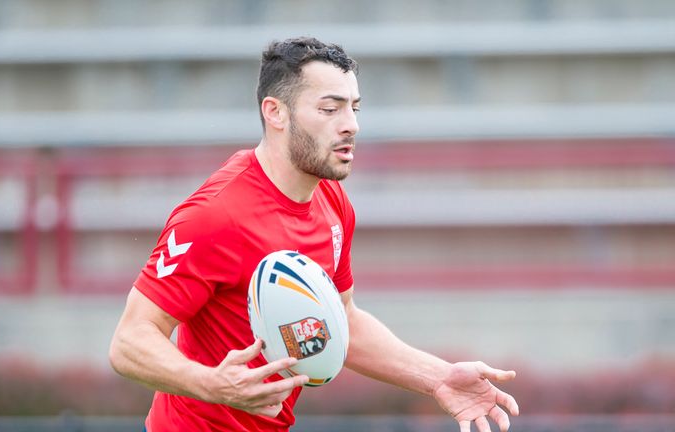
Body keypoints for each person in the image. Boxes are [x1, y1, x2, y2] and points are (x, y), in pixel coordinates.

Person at [109, 36, 519, 432]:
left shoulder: (332, 200)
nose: (351, 125)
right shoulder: (214, 216)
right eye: (330, 109)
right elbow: (130, 341)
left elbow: (343, 324)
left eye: (354, 108)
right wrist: (210, 385)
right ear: (276, 113)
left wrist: (439, 378)